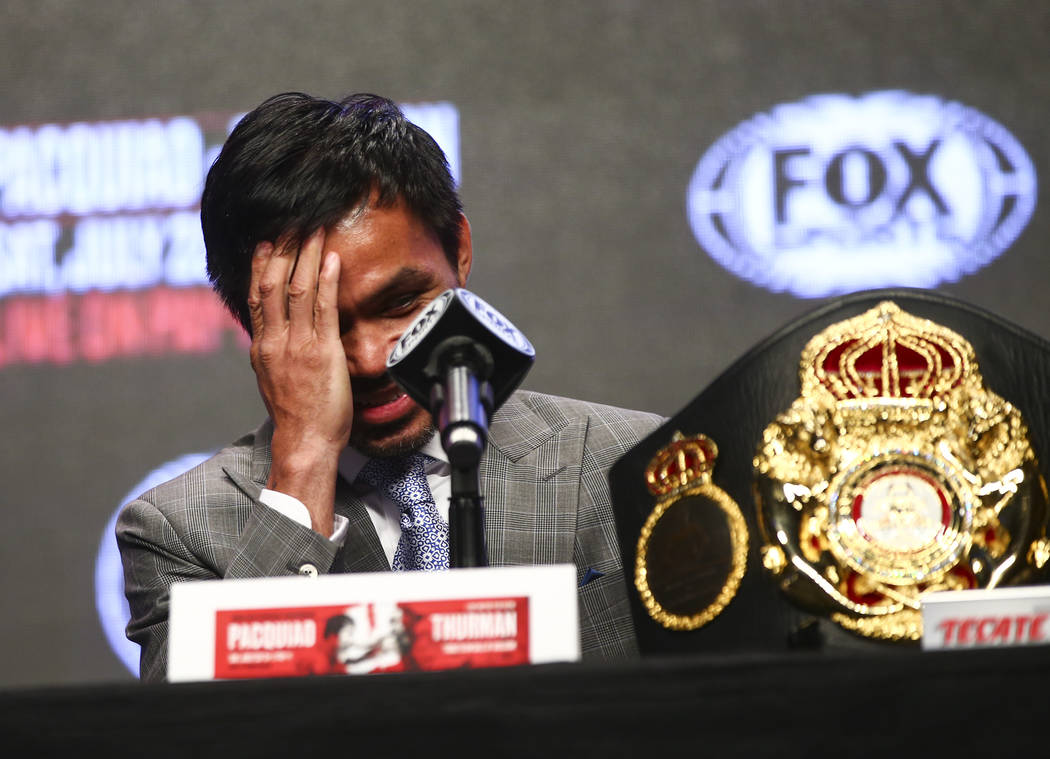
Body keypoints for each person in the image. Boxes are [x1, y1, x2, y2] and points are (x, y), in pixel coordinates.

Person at [116, 91, 664, 682]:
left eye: (402, 303)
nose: (374, 360)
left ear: (460, 249)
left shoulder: (627, 462)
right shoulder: (177, 530)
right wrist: (304, 459)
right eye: (320, 327)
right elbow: (219, 736)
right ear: (257, 329)